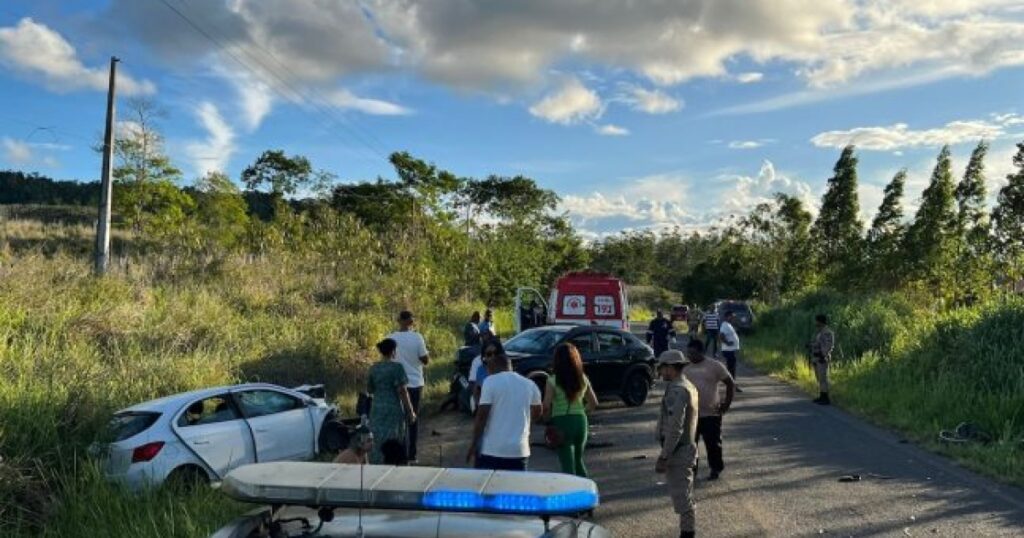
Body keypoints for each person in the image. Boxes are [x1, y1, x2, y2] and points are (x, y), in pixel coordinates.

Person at [466, 351, 542, 471]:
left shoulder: (490, 382)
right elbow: (538, 411)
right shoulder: (529, 384)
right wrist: (525, 422)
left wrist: (474, 444)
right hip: (519, 451)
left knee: (489, 487)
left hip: (492, 450)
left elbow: (482, 416)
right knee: (514, 488)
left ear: (493, 368)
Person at [654, 349, 699, 538]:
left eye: (662, 368)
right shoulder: (686, 385)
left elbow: (675, 427)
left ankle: (687, 534)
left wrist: (664, 456)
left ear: (671, 367)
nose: (660, 372)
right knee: (683, 495)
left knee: (682, 498)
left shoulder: (678, 390)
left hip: (679, 451)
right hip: (684, 448)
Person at [542, 343, 599, 477]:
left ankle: (571, 494)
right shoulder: (583, 378)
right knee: (579, 461)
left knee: (567, 465)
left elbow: (546, 406)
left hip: (562, 421)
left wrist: (547, 421)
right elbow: (594, 403)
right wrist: (582, 412)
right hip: (581, 421)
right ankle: (586, 492)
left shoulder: (552, 380)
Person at [683, 339, 735, 480]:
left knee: (713, 444)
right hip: (690, 414)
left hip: (711, 414)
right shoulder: (685, 368)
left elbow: (730, 383)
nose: (690, 356)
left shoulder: (715, 366)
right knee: (690, 446)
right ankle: (691, 471)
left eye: (693, 353)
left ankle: (715, 469)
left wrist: (726, 404)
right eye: (688, 353)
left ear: (702, 352)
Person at [388, 311, 429, 463]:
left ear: (399, 321)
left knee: (399, 420)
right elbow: (425, 360)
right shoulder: (417, 337)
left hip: (397, 384)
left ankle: (400, 454)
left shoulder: (391, 337)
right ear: (411, 322)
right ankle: (412, 455)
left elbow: (389, 359)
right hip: (415, 383)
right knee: (413, 418)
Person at [368, 337, 417, 465]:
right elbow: (403, 391)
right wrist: (410, 411)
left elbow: (370, 389)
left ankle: (376, 462)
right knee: (394, 437)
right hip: (393, 408)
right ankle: (393, 463)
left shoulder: (373, 368)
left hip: (377, 408)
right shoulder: (397, 368)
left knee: (377, 436)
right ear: (393, 351)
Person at [469, 338, 502, 410]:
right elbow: (476, 391)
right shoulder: (480, 370)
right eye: (489, 354)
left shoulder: (505, 368)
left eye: (496, 353)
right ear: (484, 356)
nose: (493, 356)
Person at [810, 314, 835, 405]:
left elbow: (828, 345)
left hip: (822, 358)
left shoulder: (827, 332)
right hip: (816, 357)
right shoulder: (820, 332)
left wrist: (823, 355)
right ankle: (821, 396)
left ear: (820, 322)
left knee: (823, 378)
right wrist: (811, 345)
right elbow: (819, 344)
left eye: (816, 321)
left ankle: (826, 398)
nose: (815, 323)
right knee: (819, 378)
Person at [718, 311, 742, 392]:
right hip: (729, 351)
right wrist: (727, 343)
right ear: (727, 316)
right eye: (732, 316)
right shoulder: (725, 325)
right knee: (731, 369)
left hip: (731, 350)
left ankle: (732, 385)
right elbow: (721, 336)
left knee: (731, 369)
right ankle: (732, 386)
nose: (733, 318)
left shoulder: (728, 325)